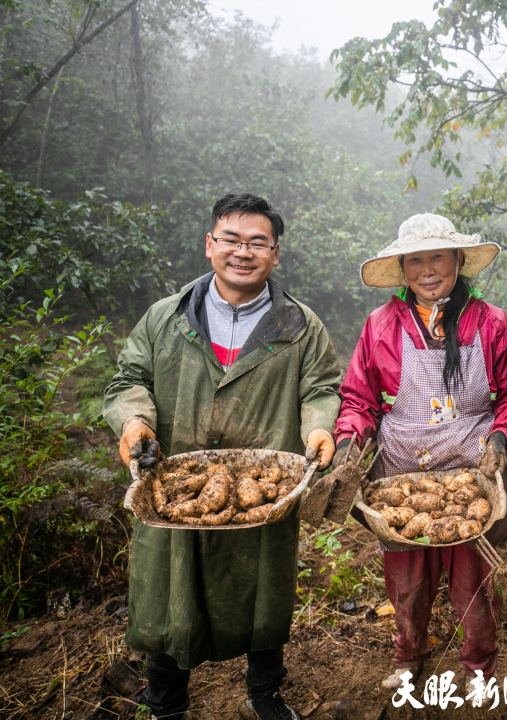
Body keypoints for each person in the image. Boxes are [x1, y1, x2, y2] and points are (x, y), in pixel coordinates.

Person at [103, 193, 342, 720]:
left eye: (258, 242)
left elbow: (321, 388)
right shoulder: (165, 318)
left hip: (265, 486)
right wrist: (134, 420)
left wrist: (320, 428)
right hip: (173, 487)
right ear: (209, 245)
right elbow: (129, 380)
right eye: (231, 239)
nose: (243, 251)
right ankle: (165, 704)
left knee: (263, 588)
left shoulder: (299, 326)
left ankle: (265, 694)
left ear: (275, 254)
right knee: (168, 592)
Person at [334, 213, 507, 688]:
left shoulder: (491, 323)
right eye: (415, 260)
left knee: (473, 583)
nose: (427, 270)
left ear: (458, 261)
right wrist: (349, 441)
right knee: (407, 582)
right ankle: (409, 655)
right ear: (403, 269)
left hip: (473, 473)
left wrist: (503, 438)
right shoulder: (381, 325)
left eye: (437, 257)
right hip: (402, 475)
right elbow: (359, 398)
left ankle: (479, 665)